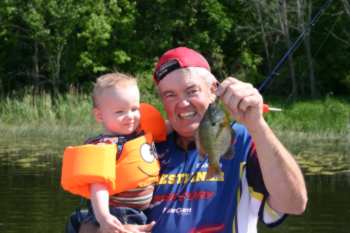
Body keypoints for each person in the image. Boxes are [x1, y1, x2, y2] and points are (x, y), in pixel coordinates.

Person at [118, 46, 308, 233]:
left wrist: (258, 125)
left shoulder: (243, 139)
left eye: (192, 91)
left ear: (213, 90)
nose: (183, 103)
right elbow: (94, 222)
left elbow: (294, 203)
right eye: (170, 95)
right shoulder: (145, 149)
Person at [62, 72, 167, 233]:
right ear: (99, 115)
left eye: (134, 109)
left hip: (138, 211)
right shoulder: (105, 146)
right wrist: (104, 218)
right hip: (118, 214)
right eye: (120, 112)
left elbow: (171, 128)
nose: (130, 116)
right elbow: (99, 186)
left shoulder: (140, 133)